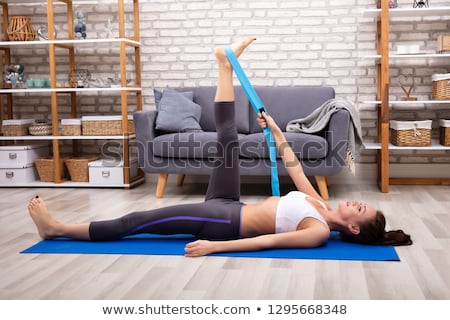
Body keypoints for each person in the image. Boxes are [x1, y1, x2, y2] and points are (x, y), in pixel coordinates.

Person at [28, 37, 412, 257]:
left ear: (353, 229)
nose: (354, 203)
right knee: (228, 138)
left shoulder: (318, 231)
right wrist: (277, 131)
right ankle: (223, 66)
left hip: (224, 223)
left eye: (358, 209)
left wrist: (214, 248)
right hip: (232, 204)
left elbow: (269, 242)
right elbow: (295, 168)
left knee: (139, 222)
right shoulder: (318, 206)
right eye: (360, 203)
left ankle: (57, 229)